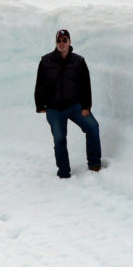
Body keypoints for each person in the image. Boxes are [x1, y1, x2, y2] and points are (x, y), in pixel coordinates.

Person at [34, 29, 102, 178]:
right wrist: (40, 105)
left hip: (74, 106)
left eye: (64, 40)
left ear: (70, 42)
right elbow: (39, 84)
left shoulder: (79, 61)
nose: (61, 43)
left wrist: (86, 107)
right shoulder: (46, 61)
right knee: (59, 139)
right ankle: (64, 172)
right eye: (59, 41)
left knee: (93, 127)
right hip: (54, 108)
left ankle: (94, 163)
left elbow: (86, 85)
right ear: (56, 43)